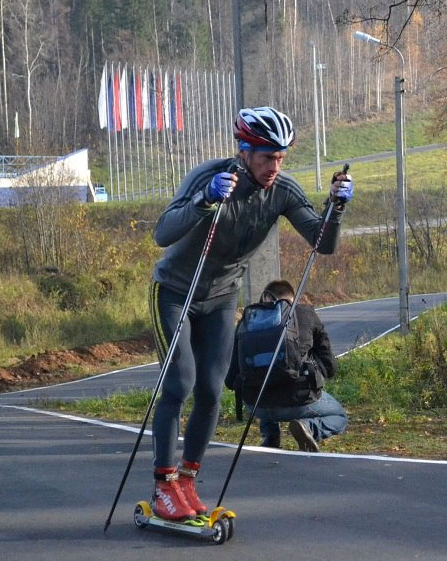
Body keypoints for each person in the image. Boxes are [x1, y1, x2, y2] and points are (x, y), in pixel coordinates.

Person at [147, 106, 352, 521]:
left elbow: (321, 243)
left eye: (281, 157)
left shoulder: (282, 190)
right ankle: (163, 485)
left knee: (211, 389)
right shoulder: (209, 177)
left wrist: (335, 208)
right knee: (180, 383)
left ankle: (187, 481)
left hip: (221, 299)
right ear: (244, 151)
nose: (274, 166)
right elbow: (163, 232)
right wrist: (205, 201)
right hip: (174, 293)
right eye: (266, 157)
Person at [224, 279, 348, 452]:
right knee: (340, 416)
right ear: (292, 299)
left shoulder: (248, 321)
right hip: (298, 403)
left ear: (264, 299)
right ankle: (308, 427)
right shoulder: (306, 314)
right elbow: (330, 367)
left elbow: (230, 381)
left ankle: (270, 436)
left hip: (256, 406)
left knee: (265, 376)